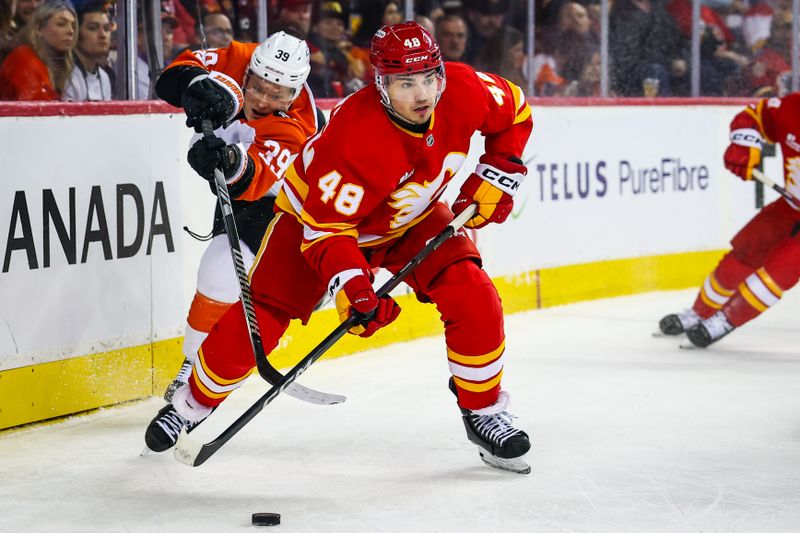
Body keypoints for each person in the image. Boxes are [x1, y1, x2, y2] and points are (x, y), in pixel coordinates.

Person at [144, 21, 534, 474]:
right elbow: (328, 233)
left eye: (430, 77)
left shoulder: (465, 88)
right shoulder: (355, 137)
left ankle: (484, 411)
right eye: (406, 83)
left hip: (411, 216)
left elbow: (516, 113)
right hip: (312, 223)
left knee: (473, 291)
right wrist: (355, 289)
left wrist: (501, 169)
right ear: (382, 85)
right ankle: (192, 403)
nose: (423, 93)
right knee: (262, 319)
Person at [148, 31, 321, 403]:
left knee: (230, 273)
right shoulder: (241, 57)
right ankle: (192, 365)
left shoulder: (299, 126)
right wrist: (196, 84)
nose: (262, 100)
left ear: (294, 93)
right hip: (249, 184)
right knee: (216, 274)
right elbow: (171, 75)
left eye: (277, 94)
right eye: (257, 87)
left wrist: (225, 161)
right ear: (250, 71)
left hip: (286, 201)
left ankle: (302, 286)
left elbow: (252, 182)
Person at [658, 94, 800, 347]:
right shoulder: (792, 107)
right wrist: (745, 145)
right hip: (791, 206)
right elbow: (753, 116)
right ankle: (700, 312)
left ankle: (726, 319)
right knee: (746, 252)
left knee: (781, 268)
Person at [0, 0, 76, 100]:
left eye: (74, 26)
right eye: (61, 24)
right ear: (39, 28)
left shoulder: (54, 63)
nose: (70, 31)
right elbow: (38, 112)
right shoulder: (24, 59)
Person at [63, 0, 113, 101]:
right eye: (93, 28)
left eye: (106, 29)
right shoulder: (67, 77)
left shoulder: (104, 78)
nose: (102, 35)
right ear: (76, 33)